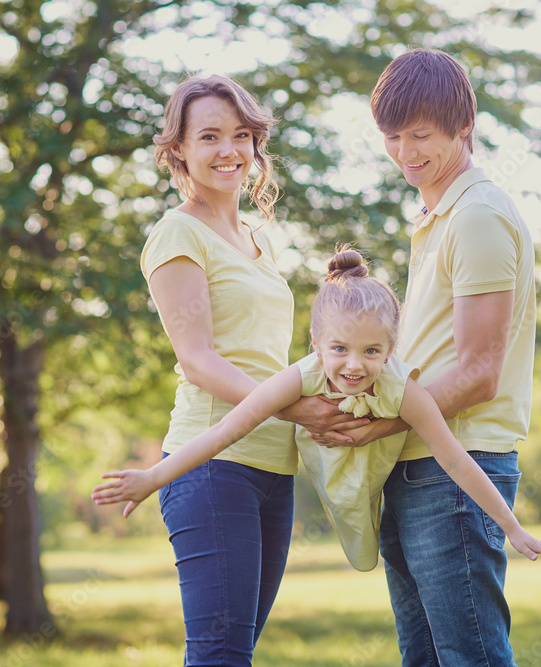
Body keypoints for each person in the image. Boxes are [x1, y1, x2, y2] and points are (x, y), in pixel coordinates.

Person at [93, 249, 541, 577]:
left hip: (377, 468)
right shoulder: (300, 377)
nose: (354, 365)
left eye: (371, 351)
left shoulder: (406, 390)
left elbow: (457, 460)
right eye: (339, 348)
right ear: (316, 344)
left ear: (391, 350)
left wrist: (512, 528)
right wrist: (153, 477)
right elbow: (225, 430)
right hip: (329, 467)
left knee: (371, 546)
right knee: (357, 544)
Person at [304, 48, 541, 666]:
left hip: (456, 469)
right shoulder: (437, 217)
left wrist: (378, 424)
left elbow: (478, 373)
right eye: (392, 137)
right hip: (415, 463)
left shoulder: (477, 219)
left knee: (471, 659)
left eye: (421, 136)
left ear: (464, 127)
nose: (406, 153)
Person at [126, 73, 339, 667]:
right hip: (213, 465)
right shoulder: (176, 234)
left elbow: (270, 356)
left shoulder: (259, 240)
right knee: (219, 655)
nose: (229, 151)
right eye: (210, 136)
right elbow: (198, 359)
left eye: (241, 135)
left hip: (275, 465)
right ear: (179, 151)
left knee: (235, 652)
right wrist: (292, 405)